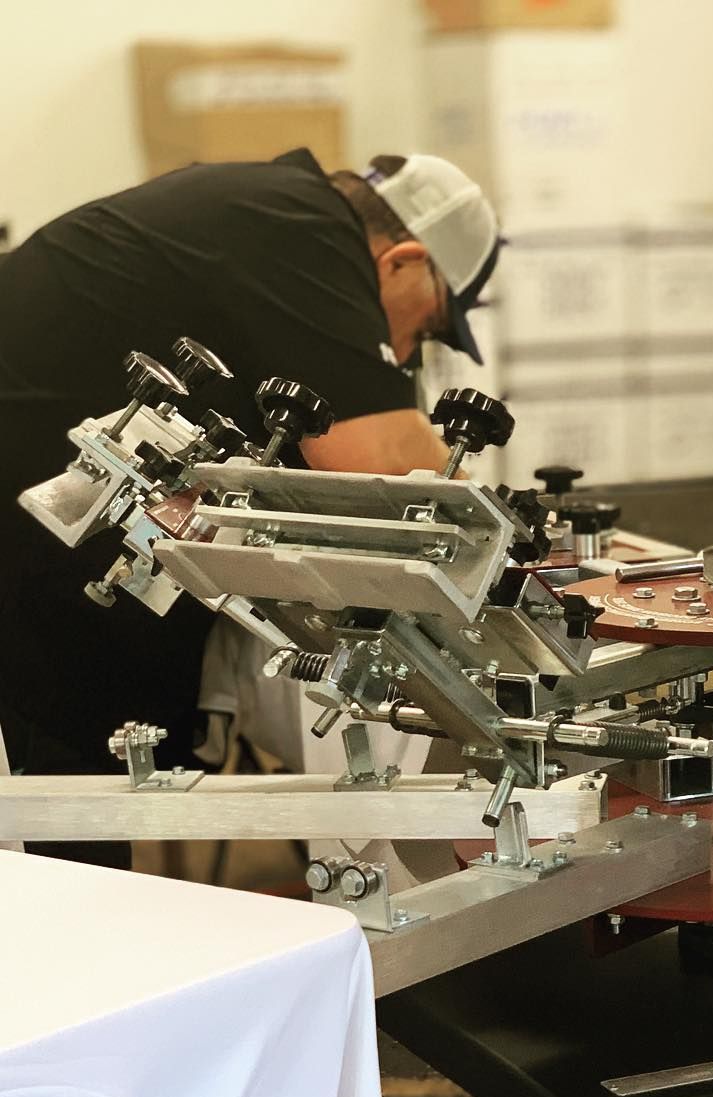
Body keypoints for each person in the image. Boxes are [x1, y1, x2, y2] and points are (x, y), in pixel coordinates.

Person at [0, 149, 500, 862]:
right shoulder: (306, 230)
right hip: (36, 553)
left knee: (77, 809)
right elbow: (386, 467)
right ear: (403, 262)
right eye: (425, 329)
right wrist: (512, 538)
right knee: (61, 836)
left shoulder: (265, 207)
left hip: (51, 542)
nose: (406, 349)